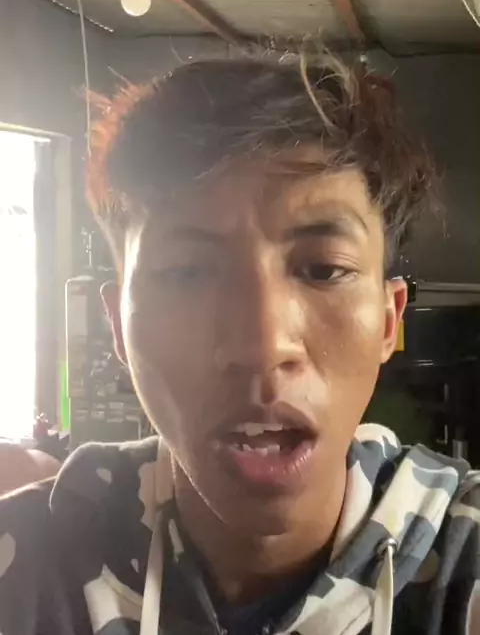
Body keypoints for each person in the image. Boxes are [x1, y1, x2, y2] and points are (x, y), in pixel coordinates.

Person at [0, 55, 478, 635]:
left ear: (387, 321)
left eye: (324, 269)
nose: (261, 346)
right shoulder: (27, 564)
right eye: (187, 273)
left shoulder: (463, 559)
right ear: (118, 327)